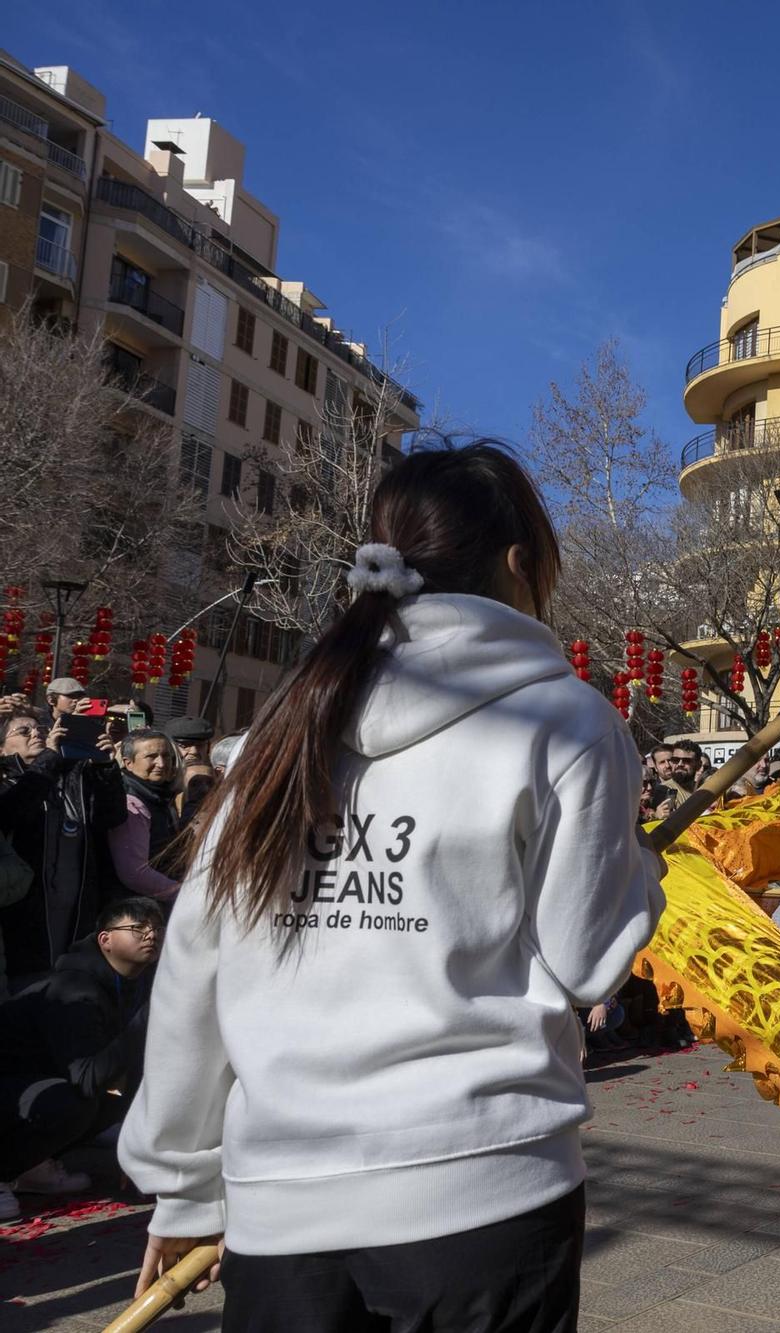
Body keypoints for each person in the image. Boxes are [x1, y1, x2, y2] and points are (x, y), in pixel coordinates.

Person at [118, 441, 667, 1327]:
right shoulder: (566, 719)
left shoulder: (286, 724)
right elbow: (588, 959)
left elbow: (195, 969)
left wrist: (183, 1189)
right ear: (519, 562)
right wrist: (643, 870)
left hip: (284, 1201)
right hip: (482, 1184)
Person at [0, 896, 161, 1221]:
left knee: (117, 1095)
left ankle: (31, 1166)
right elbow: (85, 1076)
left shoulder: (127, 983)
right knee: (76, 1104)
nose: (151, 935)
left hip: (41, 1081)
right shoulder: (75, 989)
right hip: (13, 1092)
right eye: (138, 927)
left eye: (157, 927)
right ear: (106, 939)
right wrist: (149, 1018)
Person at [0, 710, 127, 988]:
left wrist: (105, 767)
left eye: (41, 729)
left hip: (75, 912)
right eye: (24, 731)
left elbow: (111, 818)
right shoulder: (6, 779)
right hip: (23, 920)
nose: (37, 734)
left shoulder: (74, 775)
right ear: (2, 747)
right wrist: (49, 759)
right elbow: (13, 811)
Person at [110, 729, 182, 901]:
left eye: (166, 756)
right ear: (128, 763)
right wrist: (183, 896)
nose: (161, 763)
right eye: (151, 756)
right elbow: (135, 873)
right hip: (137, 908)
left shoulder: (160, 796)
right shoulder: (130, 802)